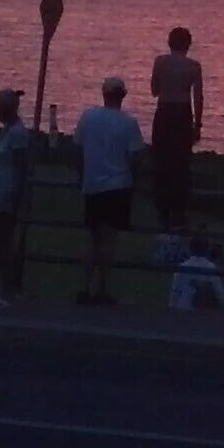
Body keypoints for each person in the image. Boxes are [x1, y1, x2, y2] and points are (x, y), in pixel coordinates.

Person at [74, 75, 146, 304]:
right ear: (122, 96)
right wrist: (135, 181)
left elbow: (77, 149)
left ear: (103, 94)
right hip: (118, 185)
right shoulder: (129, 123)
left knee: (92, 238)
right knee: (108, 240)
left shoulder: (88, 117)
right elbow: (135, 157)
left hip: (92, 184)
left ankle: (85, 287)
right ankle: (102, 289)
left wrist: (82, 175)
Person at [0, 90, 34, 305]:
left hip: (7, 195)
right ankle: (8, 286)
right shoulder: (7, 131)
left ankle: (8, 289)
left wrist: (17, 197)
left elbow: (21, 166)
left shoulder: (17, 134)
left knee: (0, 242)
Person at [149, 25, 204, 228]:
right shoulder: (193, 66)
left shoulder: (160, 62)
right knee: (181, 163)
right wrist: (197, 124)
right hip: (183, 113)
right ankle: (179, 210)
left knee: (162, 160)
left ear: (169, 42)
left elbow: (154, 90)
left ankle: (162, 209)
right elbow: (198, 97)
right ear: (188, 44)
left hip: (164, 110)